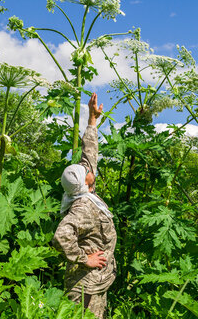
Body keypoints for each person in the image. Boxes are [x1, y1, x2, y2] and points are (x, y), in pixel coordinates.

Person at [53, 93, 116, 319]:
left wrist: (92, 120)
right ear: (84, 183)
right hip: (85, 287)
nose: (89, 170)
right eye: (85, 172)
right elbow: (61, 235)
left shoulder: (85, 192)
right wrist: (84, 258)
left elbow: (89, 155)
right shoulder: (83, 207)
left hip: (96, 281)